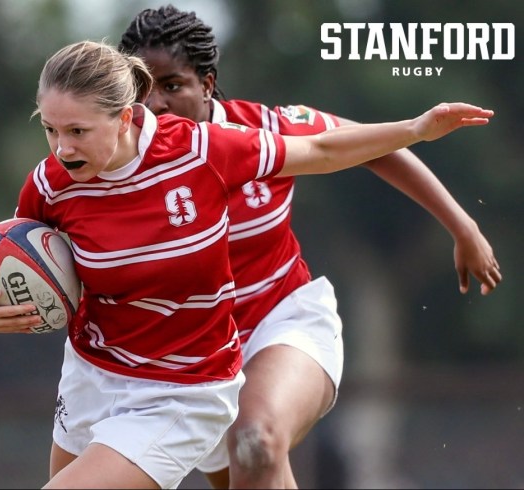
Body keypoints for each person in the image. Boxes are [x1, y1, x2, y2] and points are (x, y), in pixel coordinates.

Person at [0, 39, 496, 490]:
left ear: (125, 117)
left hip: (179, 390)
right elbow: (8, 244)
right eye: (50, 129)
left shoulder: (203, 152)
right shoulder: (51, 181)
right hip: (93, 373)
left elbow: (324, 151)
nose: (61, 147)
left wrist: (414, 128)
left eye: (76, 132)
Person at [118, 5, 503, 489]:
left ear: (208, 84)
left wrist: (462, 226)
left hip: (286, 323)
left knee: (254, 440)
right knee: (252, 465)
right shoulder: (116, 167)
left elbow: (371, 146)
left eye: (173, 86)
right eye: (140, 90)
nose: (155, 104)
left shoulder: (266, 130)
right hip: (198, 359)